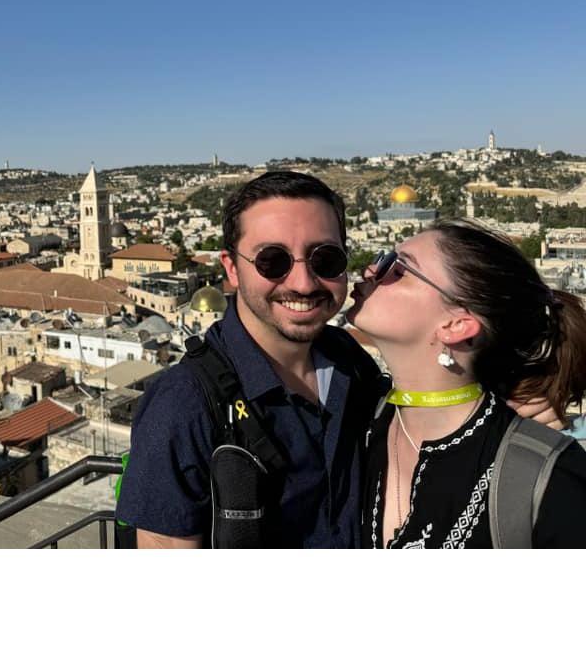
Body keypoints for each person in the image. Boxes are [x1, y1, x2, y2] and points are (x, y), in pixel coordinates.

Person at [116, 172, 561, 549]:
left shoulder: (350, 364)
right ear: (231, 269)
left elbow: (430, 406)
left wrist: (510, 403)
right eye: (273, 261)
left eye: (324, 258)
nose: (304, 281)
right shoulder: (184, 405)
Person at [348, 220, 586, 548]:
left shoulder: (550, 479)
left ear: (456, 325)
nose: (372, 269)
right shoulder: (351, 420)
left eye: (398, 269)